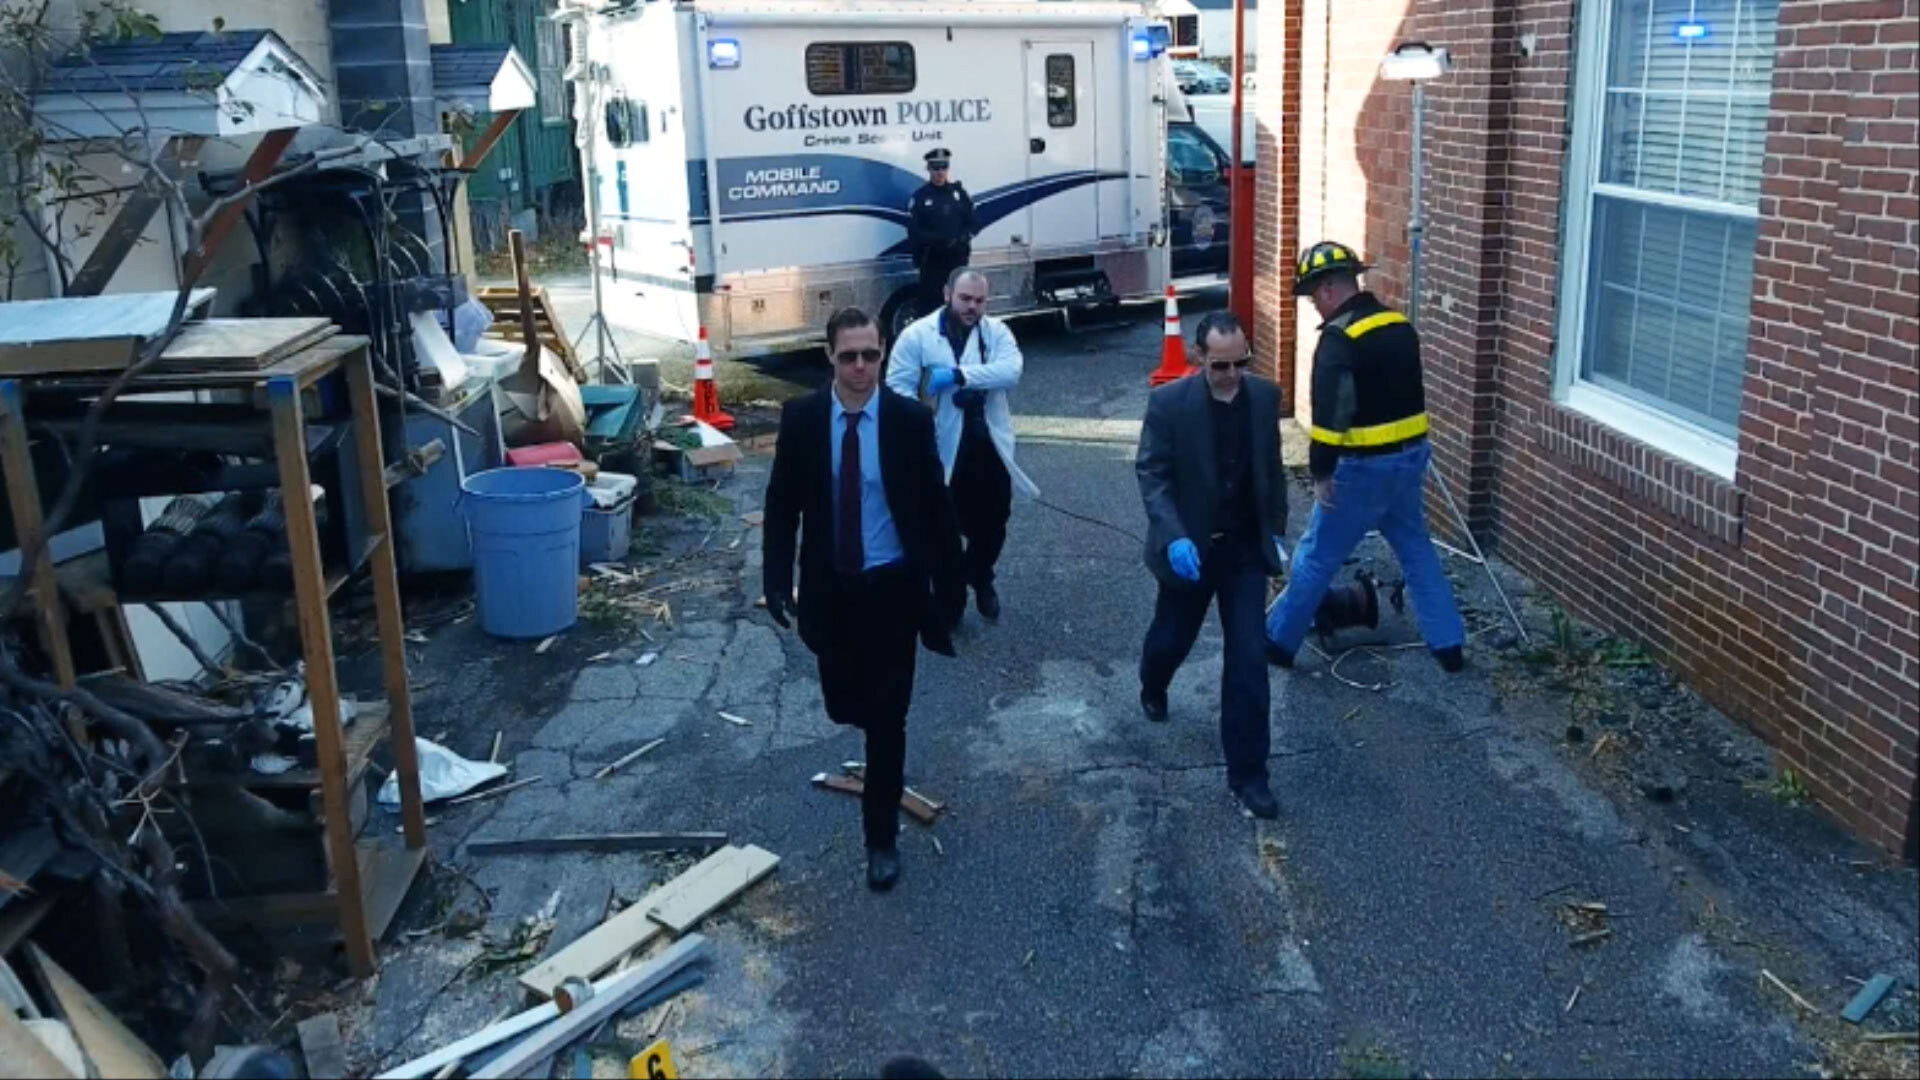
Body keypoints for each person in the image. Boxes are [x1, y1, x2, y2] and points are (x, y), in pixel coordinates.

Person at [763, 307, 965, 891]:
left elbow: (935, 506)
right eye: (848, 356)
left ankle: (881, 840)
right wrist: (775, 577)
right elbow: (782, 504)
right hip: (831, 589)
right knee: (843, 703)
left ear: (883, 354)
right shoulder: (803, 419)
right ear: (830, 355)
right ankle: (861, 714)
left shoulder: (908, 420)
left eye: (870, 355)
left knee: (887, 718)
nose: (860, 367)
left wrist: (950, 586)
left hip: (892, 589)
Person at [1265, 241, 1466, 672]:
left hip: (1360, 471)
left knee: (1316, 555)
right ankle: (1449, 644)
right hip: (1410, 461)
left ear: (1328, 289)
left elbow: (1330, 419)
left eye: (1313, 297)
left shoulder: (1338, 340)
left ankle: (1278, 642)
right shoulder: (1400, 325)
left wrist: (1321, 473)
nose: (1315, 307)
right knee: (1416, 549)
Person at [1135, 310, 1290, 819]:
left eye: (1240, 363)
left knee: (1248, 659)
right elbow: (1153, 474)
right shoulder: (1169, 404)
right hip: (1191, 548)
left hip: (1243, 551)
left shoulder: (1263, 398)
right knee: (1171, 639)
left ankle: (1249, 774)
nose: (1231, 375)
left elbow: (1271, 469)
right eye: (1220, 365)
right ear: (1199, 357)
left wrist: (1276, 531)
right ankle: (1153, 681)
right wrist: (1174, 536)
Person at [885, 267, 1036, 622]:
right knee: (944, 529)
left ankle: (979, 575)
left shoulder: (996, 332)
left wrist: (959, 377)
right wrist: (925, 409)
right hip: (940, 448)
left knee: (995, 522)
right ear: (947, 294)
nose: (972, 307)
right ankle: (950, 600)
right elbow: (897, 387)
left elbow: (1011, 371)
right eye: (965, 298)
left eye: (979, 301)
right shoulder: (916, 335)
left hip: (987, 445)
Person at [906, 147, 976, 317]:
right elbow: (914, 232)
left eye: (944, 167)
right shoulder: (921, 197)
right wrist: (939, 241)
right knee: (932, 309)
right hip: (933, 263)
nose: (940, 172)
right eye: (935, 167)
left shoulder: (958, 193)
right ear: (928, 169)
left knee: (959, 305)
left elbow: (974, 222)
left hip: (957, 261)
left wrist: (962, 238)